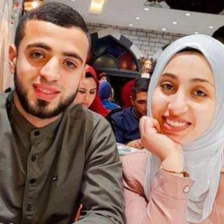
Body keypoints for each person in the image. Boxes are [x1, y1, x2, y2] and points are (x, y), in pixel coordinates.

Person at [0, 2, 124, 224]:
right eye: (38, 54)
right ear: (13, 58)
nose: (51, 74)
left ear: (81, 74)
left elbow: (106, 214)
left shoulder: (94, 131)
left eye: (69, 63)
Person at [120, 34, 224, 224]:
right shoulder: (132, 171)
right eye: (168, 86)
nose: (176, 107)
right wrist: (171, 163)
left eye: (199, 92)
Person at [110, 78, 149, 146]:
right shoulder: (120, 119)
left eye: (150, 102)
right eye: (141, 102)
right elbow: (114, 149)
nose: (146, 107)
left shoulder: (162, 118)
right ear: (132, 101)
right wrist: (128, 146)